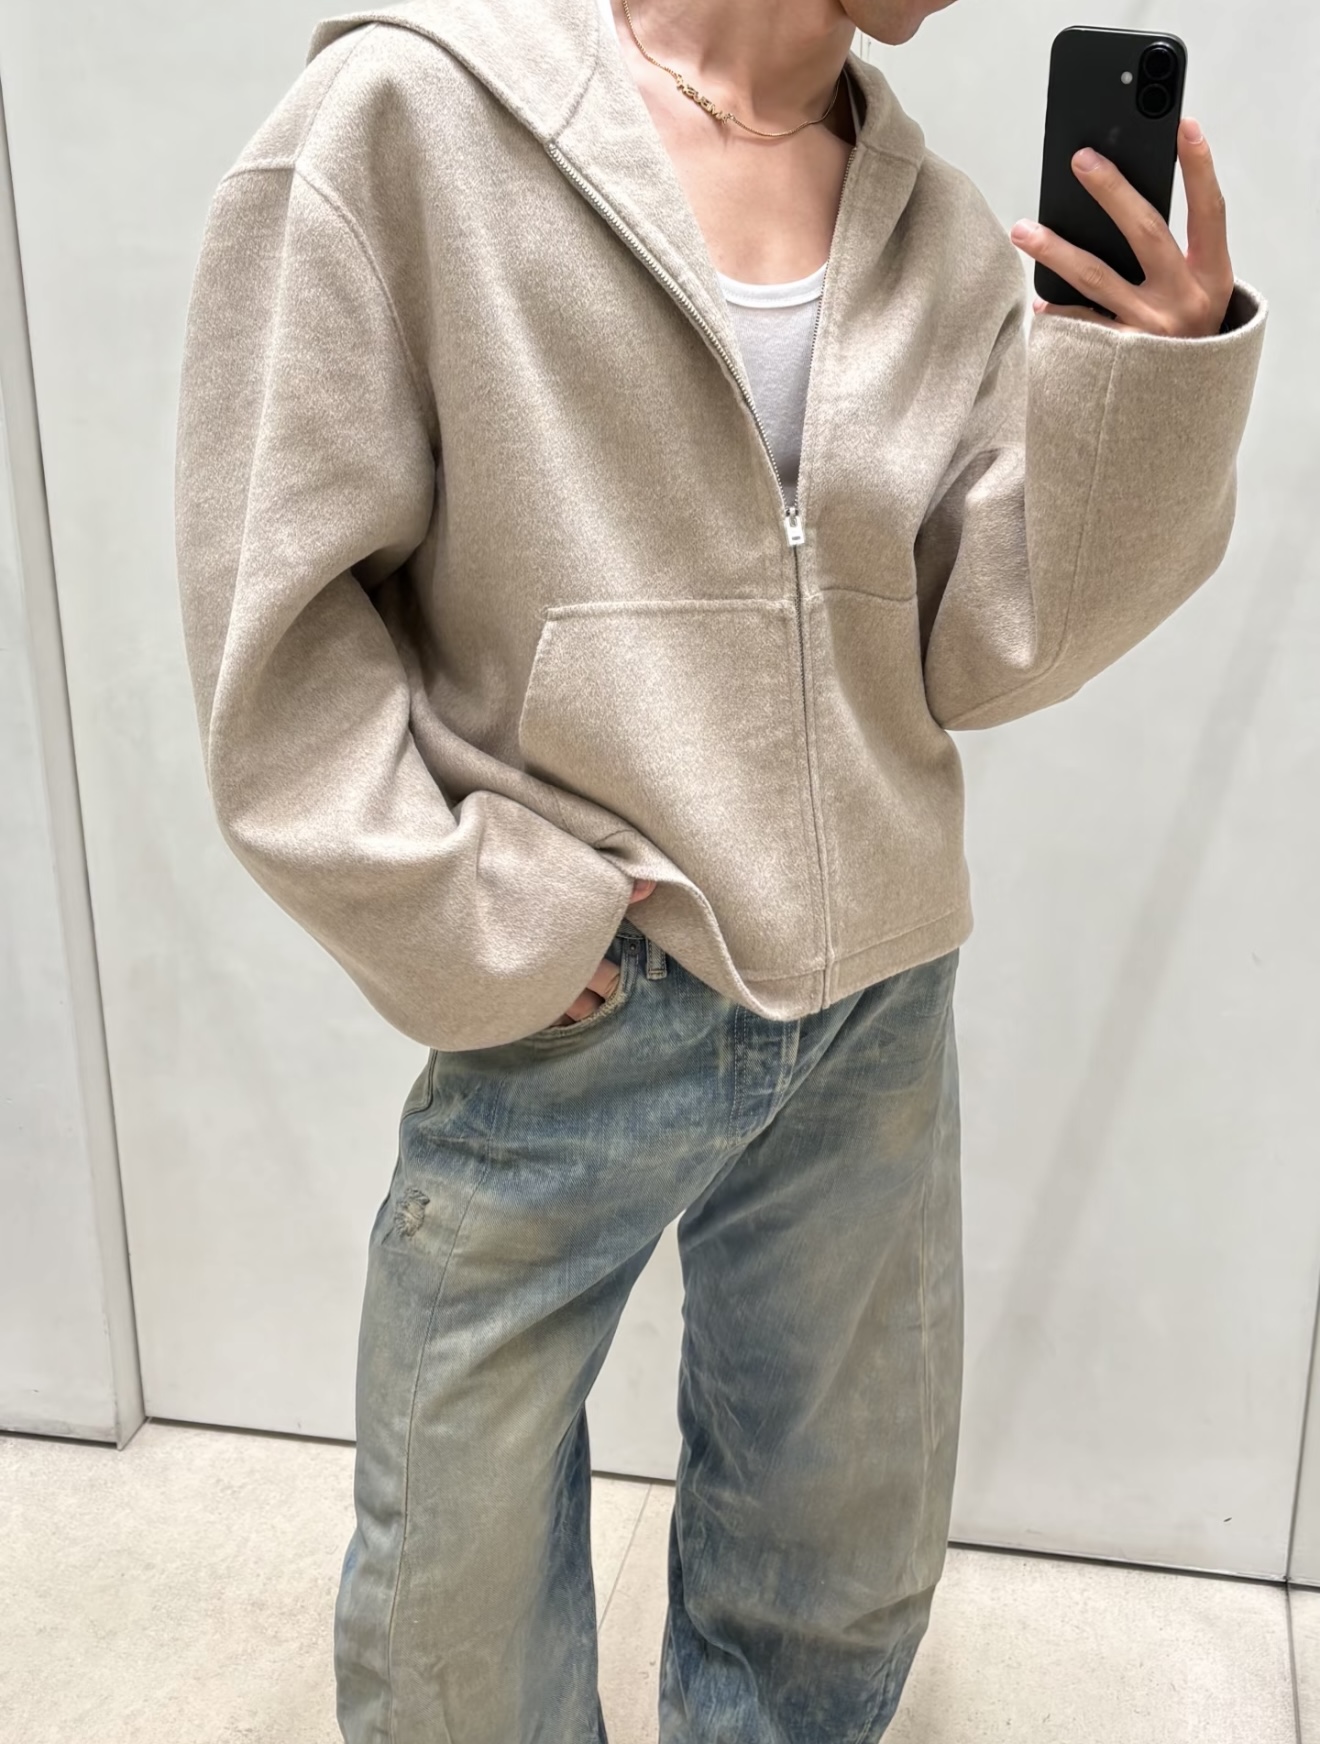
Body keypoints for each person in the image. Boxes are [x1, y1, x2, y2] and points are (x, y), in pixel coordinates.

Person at [173, 0, 1266, 1737]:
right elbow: (279, 616)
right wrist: (480, 920)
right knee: (457, 1609)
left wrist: (1152, 387)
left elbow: (986, 643)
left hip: (876, 997)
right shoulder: (411, 119)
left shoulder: (931, 226)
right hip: (580, 991)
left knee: (834, 1570)